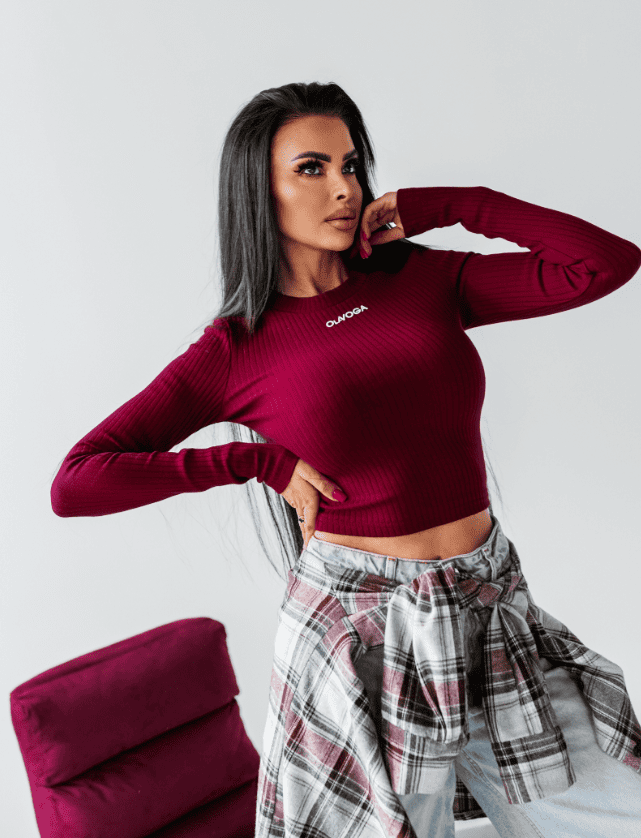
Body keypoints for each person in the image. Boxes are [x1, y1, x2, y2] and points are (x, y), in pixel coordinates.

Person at [50, 82, 641, 837]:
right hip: (360, 634)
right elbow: (78, 481)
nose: (343, 188)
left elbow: (603, 264)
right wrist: (252, 465)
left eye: (351, 164)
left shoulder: (421, 278)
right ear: (257, 191)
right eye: (311, 168)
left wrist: (453, 205)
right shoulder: (236, 347)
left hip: (491, 605)